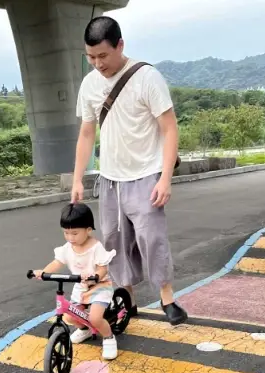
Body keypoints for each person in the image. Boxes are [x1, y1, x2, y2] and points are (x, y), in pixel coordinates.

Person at [69, 16, 188, 326]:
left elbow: (170, 128)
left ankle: (167, 298)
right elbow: (86, 133)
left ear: (120, 45)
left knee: (152, 238)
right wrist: (78, 177)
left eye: (103, 56)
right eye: (90, 57)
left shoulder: (147, 77)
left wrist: (165, 177)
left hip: (147, 174)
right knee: (113, 242)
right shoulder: (90, 84)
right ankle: (128, 300)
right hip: (110, 180)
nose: (97, 63)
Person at [33, 203, 119, 360]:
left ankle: (108, 337)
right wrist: (44, 272)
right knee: (70, 316)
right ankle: (85, 329)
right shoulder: (67, 248)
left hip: (99, 287)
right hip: (81, 287)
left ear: (88, 230)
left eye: (74, 233)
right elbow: (57, 262)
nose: (70, 238)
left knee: (95, 318)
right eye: (66, 233)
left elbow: (103, 268)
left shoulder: (95, 247)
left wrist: (96, 276)